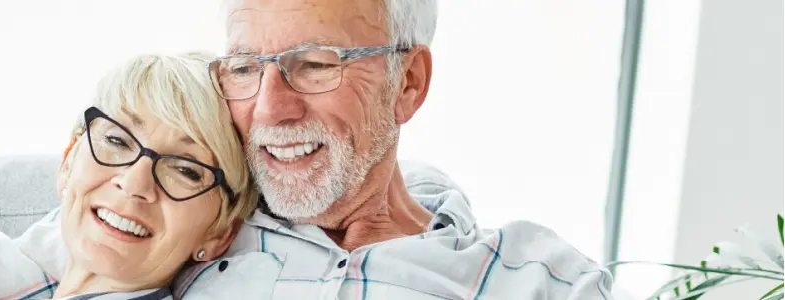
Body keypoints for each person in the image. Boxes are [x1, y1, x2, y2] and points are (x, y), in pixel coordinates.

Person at [161, 0, 617, 299]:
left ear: (408, 83)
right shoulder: (185, 229)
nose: (268, 109)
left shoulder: (540, 282)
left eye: (315, 64)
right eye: (243, 68)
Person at [0, 52, 258, 300]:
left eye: (185, 170)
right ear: (67, 161)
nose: (134, 183)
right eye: (117, 140)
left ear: (220, 233)